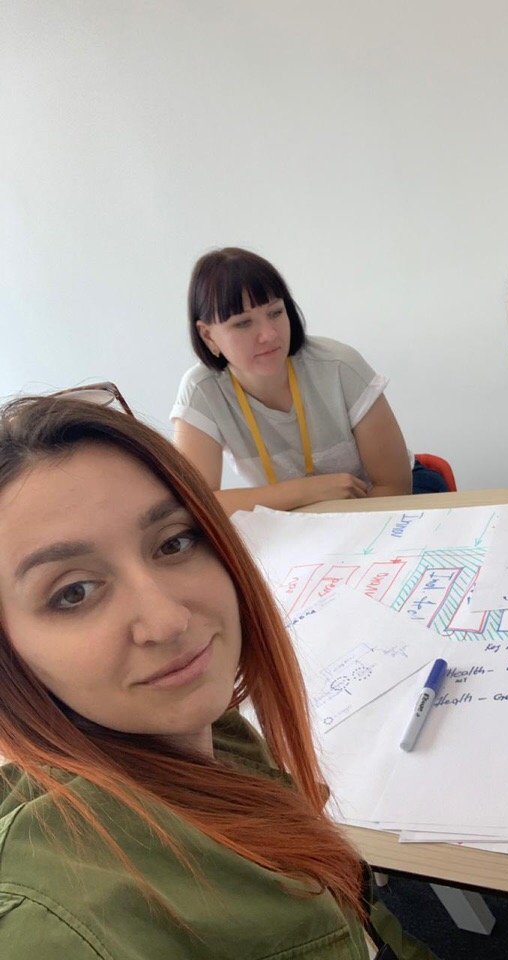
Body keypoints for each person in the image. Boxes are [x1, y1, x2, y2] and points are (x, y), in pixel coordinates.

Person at [0, 392, 421, 959]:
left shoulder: (215, 732)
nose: (168, 620)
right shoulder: (50, 927)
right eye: (73, 592)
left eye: (174, 542)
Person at [171, 248, 418, 515]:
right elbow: (195, 504)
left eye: (275, 312)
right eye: (243, 323)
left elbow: (394, 486)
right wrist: (312, 490)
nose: (269, 334)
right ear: (207, 336)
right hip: (299, 517)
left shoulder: (339, 365)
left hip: (380, 504)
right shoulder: (201, 391)